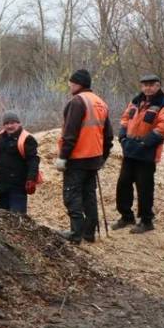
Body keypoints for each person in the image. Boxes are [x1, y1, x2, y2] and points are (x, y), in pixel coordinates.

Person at [112, 74, 164, 233]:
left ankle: (146, 221)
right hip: (130, 150)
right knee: (123, 184)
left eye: (151, 85)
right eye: (145, 85)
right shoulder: (135, 101)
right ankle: (126, 217)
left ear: (158, 85)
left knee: (145, 187)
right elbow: (125, 118)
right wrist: (122, 136)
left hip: (147, 152)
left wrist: (145, 142)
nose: (147, 87)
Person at [55, 69, 113, 244]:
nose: (70, 86)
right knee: (89, 196)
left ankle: (75, 234)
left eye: (71, 83)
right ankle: (89, 233)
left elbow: (70, 133)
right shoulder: (100, 103)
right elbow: (108, 136)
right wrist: (103, 158)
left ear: (78, 84)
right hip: (93, 159)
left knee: (72, 196)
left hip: (77, 159)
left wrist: (63, 157)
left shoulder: (78, 102)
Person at [0, 111, 41, 214]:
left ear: (19, 123)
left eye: (12, 123)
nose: (9, 126)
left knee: (17, 217)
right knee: (0, 217)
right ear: (3, 125)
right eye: (6, 123)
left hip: (18, 186)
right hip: (1, 184)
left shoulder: (27, 139)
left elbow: (33, 160)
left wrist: (31, 178)